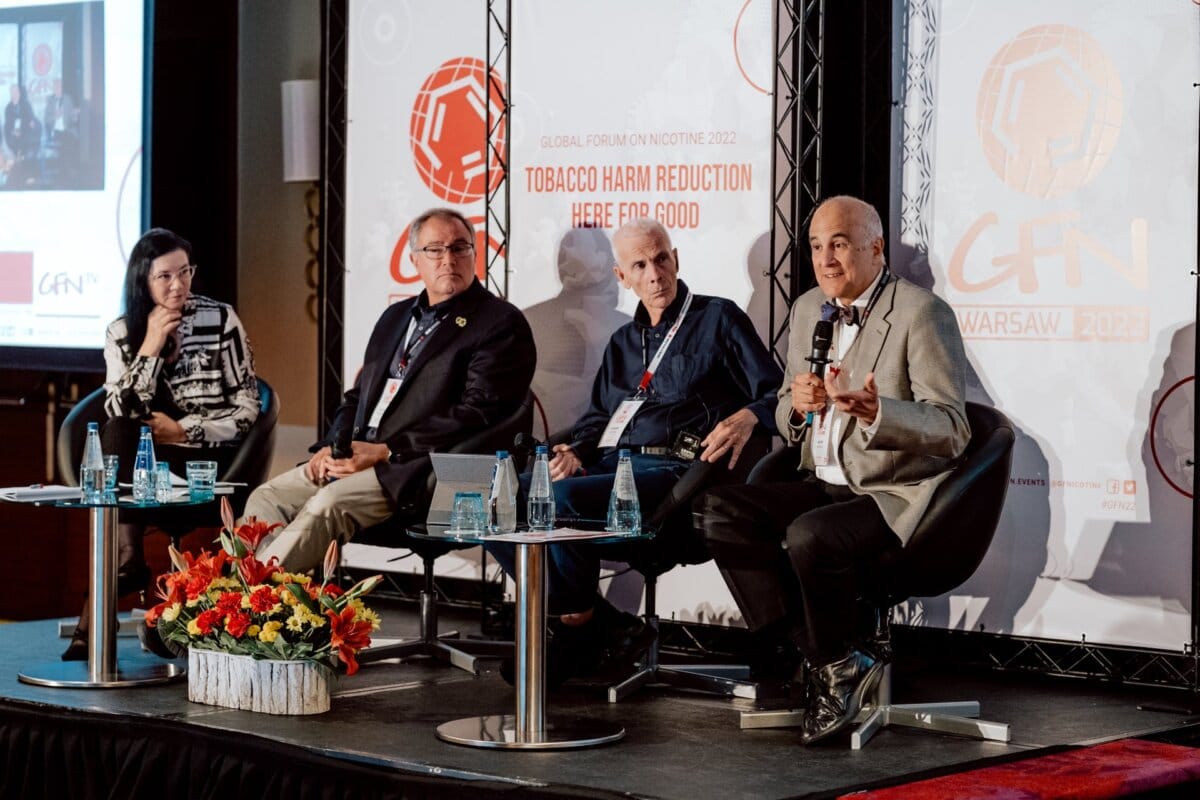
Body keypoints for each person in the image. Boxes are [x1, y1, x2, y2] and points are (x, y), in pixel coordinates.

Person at [700, 195, 970, 744]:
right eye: (817, 246)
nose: (826, 259)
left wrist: (880, 412)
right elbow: (782, 408)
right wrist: (796, 405)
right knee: (719, 511)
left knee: (808, 537)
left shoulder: (920, 313)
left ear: (875, 248)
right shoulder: (806, 309)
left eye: (840, 244)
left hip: (888, 491)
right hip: (817, 479)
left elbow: (953, 428)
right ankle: (830, 657)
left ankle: (832, 662)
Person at [486, 217, 783, 684]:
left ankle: (583, 632)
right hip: (611, 466)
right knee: (501, 500)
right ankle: (589, 620)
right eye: (640, 265)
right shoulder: (623, 342)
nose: (655, 273)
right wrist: (576, 450)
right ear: (622, 278)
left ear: (676, 259)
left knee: (561, 504)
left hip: (675, 472)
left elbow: (776, 394)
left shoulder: (718, 318)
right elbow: (598, 418)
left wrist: (750, 416)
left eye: (661, 258)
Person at [245, 207, 536, 573]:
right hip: (358, 457)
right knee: (267, 498)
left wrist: (386, 451)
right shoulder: (395, 318)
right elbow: (358, 397)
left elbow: (477, 414)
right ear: (415, 259)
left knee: (328, 503)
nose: (448, 259)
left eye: (460, 248)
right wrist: (329, 449)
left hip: (416, 469)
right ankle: (265, 608)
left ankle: (251, 604)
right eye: (435, 250)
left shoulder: (499, 323)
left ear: (475, 255)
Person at [63, 228, 261, 660]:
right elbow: (121, 408)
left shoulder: (220, 319)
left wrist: (184, 430)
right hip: (144, 463)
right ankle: (129, 554)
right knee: (116, 428)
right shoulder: (121, 332)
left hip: (205, 459)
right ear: (142, 281)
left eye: (185, 273)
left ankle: (111, 584)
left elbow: (249, 407)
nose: (178, 286)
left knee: (117, 438)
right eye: (165, 277)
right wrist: (151, 345)